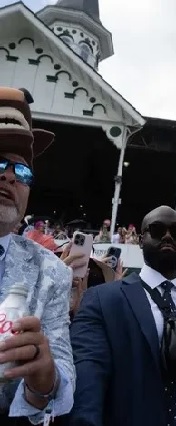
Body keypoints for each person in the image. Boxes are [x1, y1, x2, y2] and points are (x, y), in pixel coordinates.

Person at [69, 206, 176, 425]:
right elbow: (88, 384)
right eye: (156, 230)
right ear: (140, 239)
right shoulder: (103, 301)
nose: (167, 236)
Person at [0, 87, 74, 424]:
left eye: (23, 171)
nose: (10, 176)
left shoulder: (51, 272)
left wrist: (43, 380)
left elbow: (61, 378)